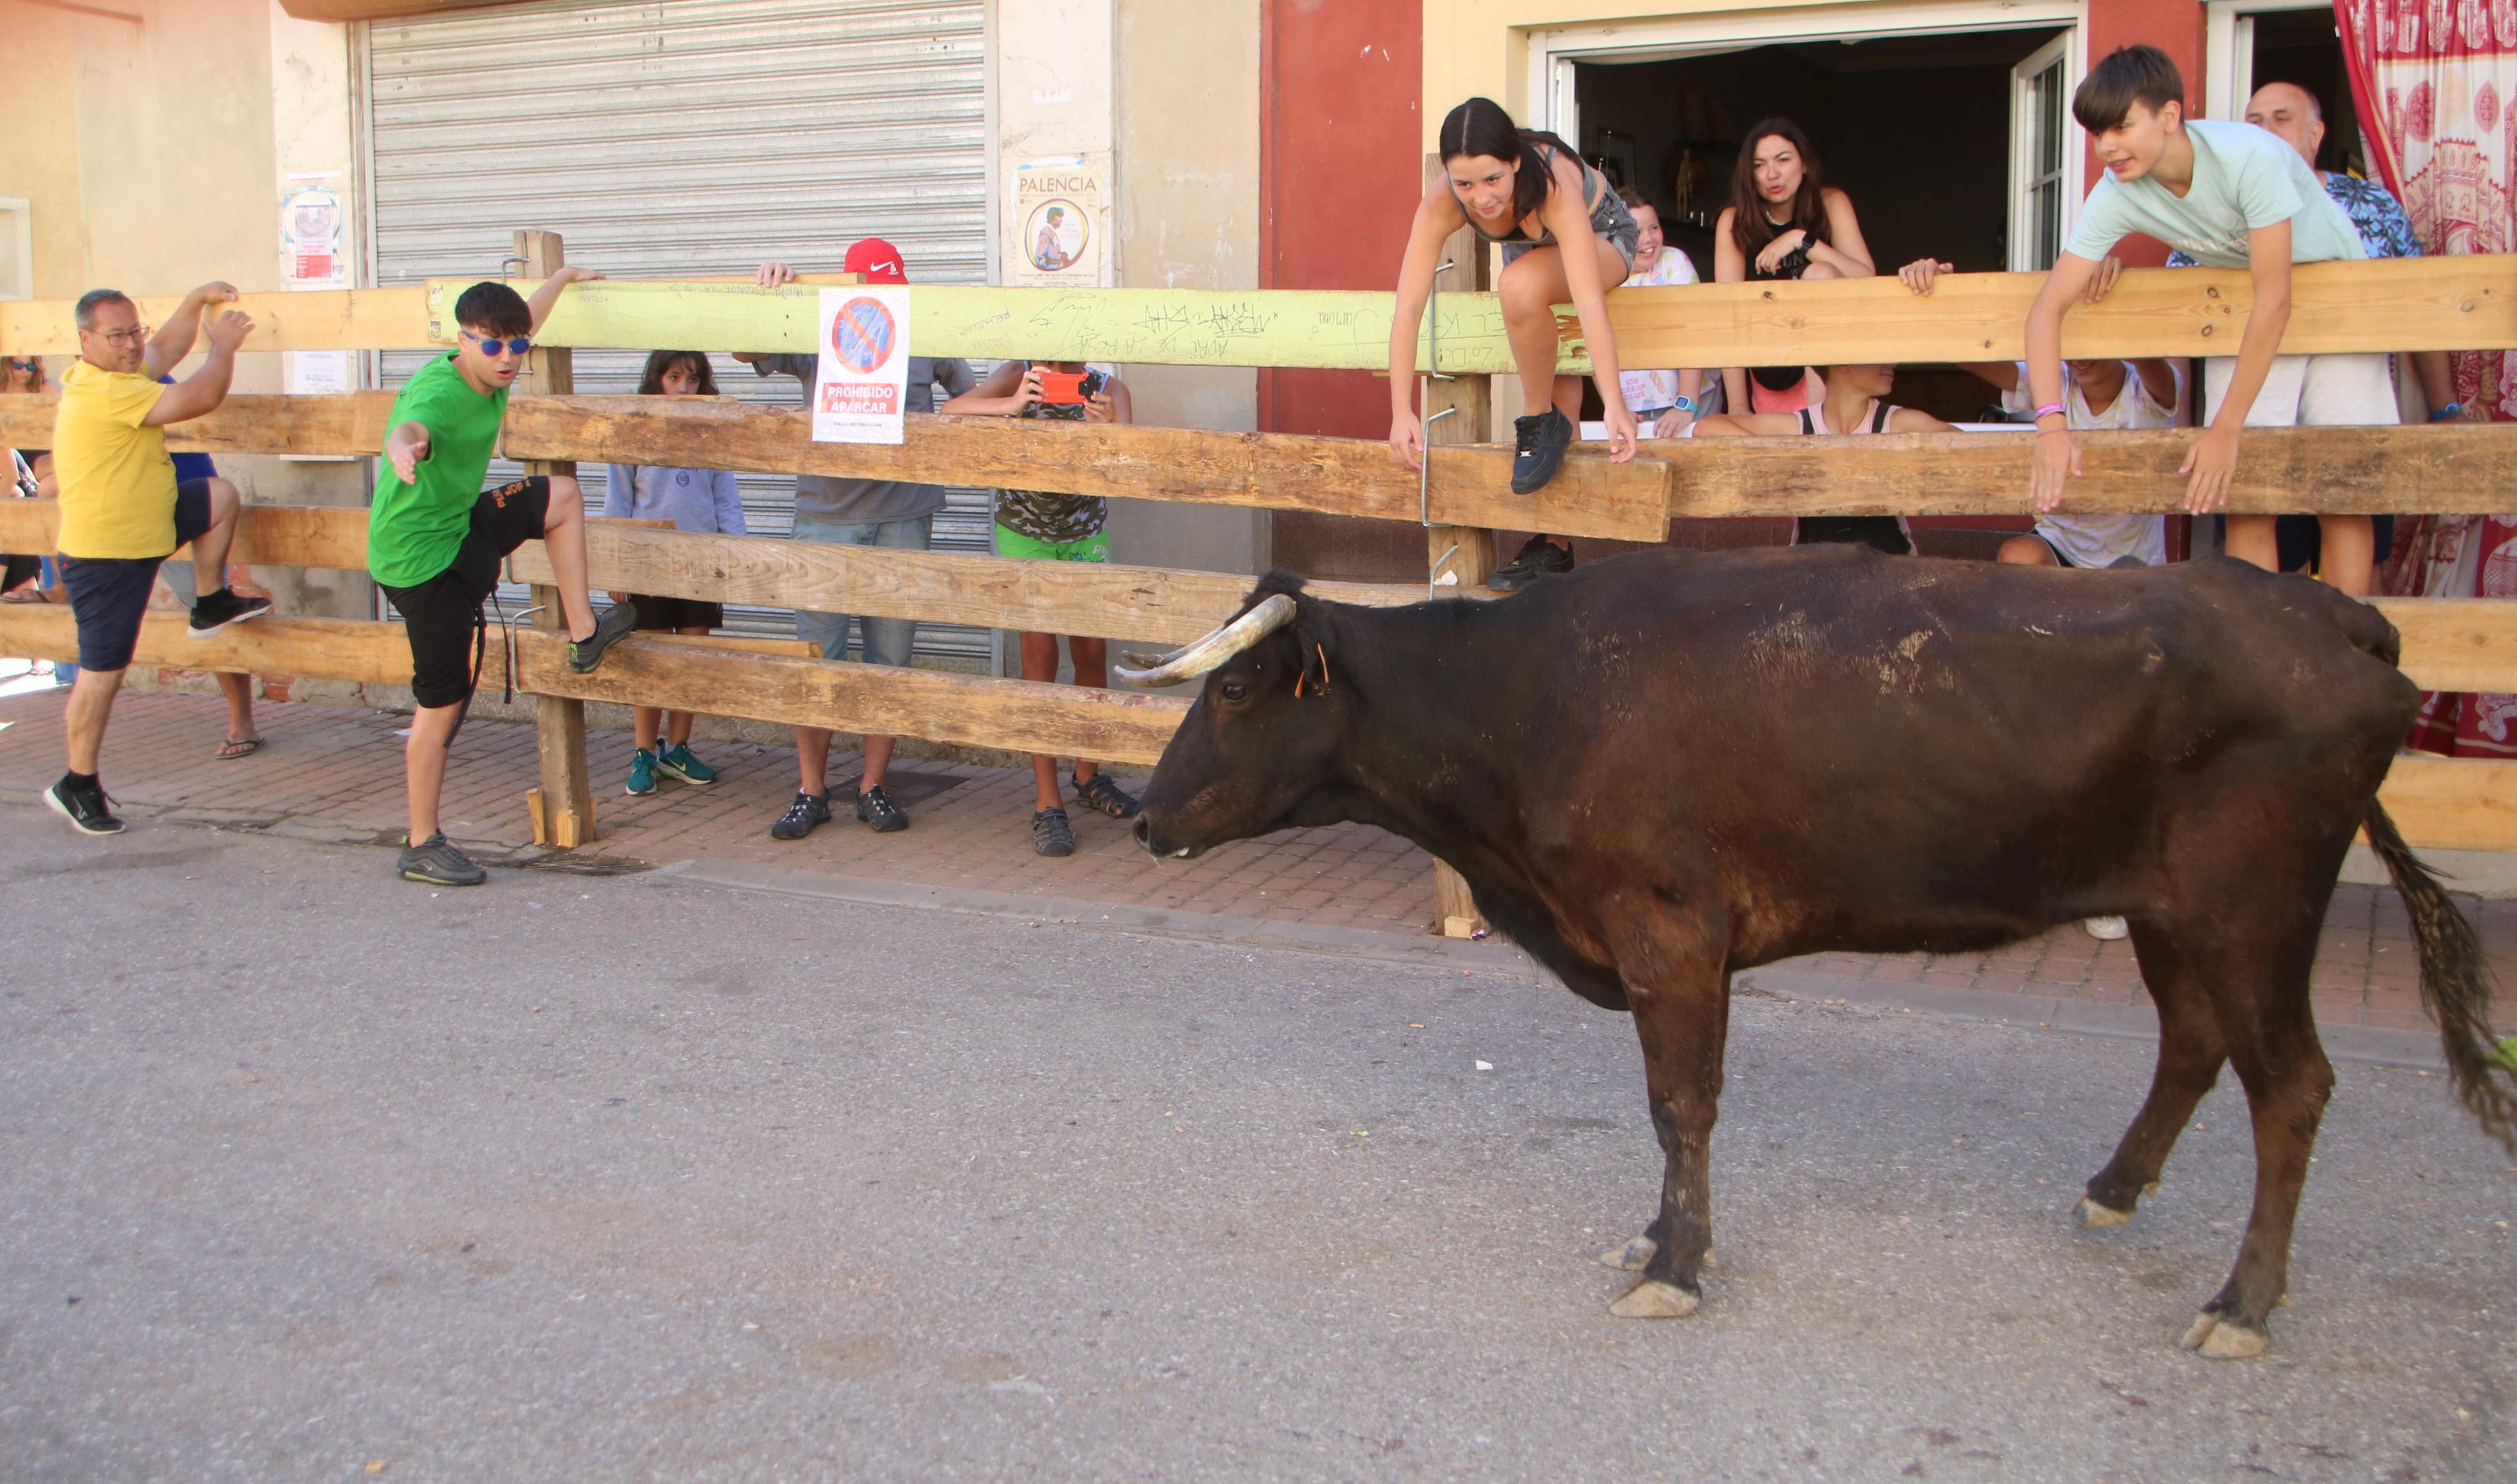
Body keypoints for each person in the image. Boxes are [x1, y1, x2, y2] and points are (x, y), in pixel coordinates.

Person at [2026, 46, 2388, 594]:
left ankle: (2343, 644)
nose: (2106, 147)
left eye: (2121, 127)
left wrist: (2224, 426)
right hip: (2245, 314)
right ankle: (2254, 648)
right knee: (2241, 497)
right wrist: (2051, 426)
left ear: (2169, 116)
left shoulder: (2249, 156)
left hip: (2335, 304)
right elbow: (2046, 308)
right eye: (2097, 133)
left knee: (2342, 494)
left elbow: (2277, 298)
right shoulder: (2116, 190)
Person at [369, 271, 636, 886]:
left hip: (458, 526)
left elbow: (528, 315)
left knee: (560, 495)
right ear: (461, 341)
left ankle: (584, 633)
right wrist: (403, 449)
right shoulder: (438, 394)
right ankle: (421, 842)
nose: (508, 358)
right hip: (417, 564)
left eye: (518, 345)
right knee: (442, 702)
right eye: (492, 345)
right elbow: (411, 426)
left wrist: (562, 277)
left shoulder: (499, 361)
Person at [2166, 79, 2468, 581]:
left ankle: (2344, 633)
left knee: (2348, 508)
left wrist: (2444, 409)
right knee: (2250, 509)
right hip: (2255, 390)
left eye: (2281, 119)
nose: (2265, 131)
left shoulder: (2370, 204)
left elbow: (2419, 303)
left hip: (2347, 384)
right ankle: (2262, 633)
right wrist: (2180, 425)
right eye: (2254, 122)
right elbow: (2179, 305)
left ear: (2315, 134)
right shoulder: (2216, 208)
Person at [738, 240, 974, 840]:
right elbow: (745, 348)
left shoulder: (924, 330)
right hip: (827, 515)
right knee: (818, 660)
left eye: (894, 290)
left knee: (889, 661)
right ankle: (810, 790)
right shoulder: (821, 325)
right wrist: (773, 292)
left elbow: (968, 396)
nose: (885, 300)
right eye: (875, 289)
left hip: (903, 516)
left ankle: (872, 786)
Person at [1388, 96, 1642, 591]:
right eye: (1464, 184)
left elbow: (1589, 302)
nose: (1481, 198)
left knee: (1519, 287)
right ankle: (1554, 544)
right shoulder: (1443, 200)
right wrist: (1401, 409)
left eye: (1492, 180)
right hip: (1530, 253)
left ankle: (1536, 421)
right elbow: (1409, 306)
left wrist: (1614, 401)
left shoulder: (1552, 182)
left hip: (1602, 236)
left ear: (1515, 162)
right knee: (1559, 386)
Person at [42, 284, 270, 835]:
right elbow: (198, 398)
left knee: (218, 496)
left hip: (150, 526)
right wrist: (223, 348)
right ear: (86, 340)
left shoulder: (122, 372)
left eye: (134, 332)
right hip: (106, 556)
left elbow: (165, 350)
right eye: (116, 336)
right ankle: (77, 784)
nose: (130, 345)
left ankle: (210, 601)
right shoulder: (105, 391)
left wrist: (194, 303)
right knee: (102, 674)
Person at [940, 359, 1144, 857]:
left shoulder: (1109, 388)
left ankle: (1088, 776)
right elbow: (952, 409)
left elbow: (1129, 463)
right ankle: (1047, 801)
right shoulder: (1020, 373)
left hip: (1084, 531)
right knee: (1039, 657)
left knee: (1091, 652)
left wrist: (1107, 430)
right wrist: (1012, 404)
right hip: (1023, 533)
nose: (1058, 363)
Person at [1901, 253, 2178, 571]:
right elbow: (1970, 359)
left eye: (2090, 334)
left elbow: (2147, 350)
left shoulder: (2145, 391)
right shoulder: (2055, 381)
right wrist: (1944, 292)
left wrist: (2118, 286)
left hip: (2131, 559)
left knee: (2128, 576)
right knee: (2019, 555)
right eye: (2066, 336)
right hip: (2060, 545)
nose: (2078, 354)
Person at [603, 350, 745, 798]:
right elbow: (617, 502)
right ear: (656, 381)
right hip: (649, 563)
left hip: (701, 563)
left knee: (690, 661)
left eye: (694, 379)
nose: (685, 388)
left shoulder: (711, 435)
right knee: (651, 662)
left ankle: (679, 749)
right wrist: (616, 565)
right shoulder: (633, 432)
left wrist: (734, 555)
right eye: (675, 377)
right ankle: (644, 752)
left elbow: (726, 499)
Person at [1691, 362, 1948, 554]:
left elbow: (1960, 444)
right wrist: (1791, 459)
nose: (1892, 363)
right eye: (1877, 355)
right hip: (1812, 573)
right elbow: (1707, 427)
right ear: (1842, 364)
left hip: (1889, 571)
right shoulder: (1800, 425)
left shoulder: (1897, 423)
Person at [1714, 119, 1878, 417]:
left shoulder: (1830, 203)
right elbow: (1729, 312)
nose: (1772, 174)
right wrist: (1738, 406)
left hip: (1833, 375)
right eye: (1759, 165)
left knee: (1819, 274)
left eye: (1783, 160)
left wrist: (1802, 241)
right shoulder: (1735, 221)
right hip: (1770, 368)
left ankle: (1818, 417)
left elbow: (1866, 278)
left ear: (1805, 164)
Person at [158, 434, 265, 761]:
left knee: (208, 606)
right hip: (136, 499)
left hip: (190, 493)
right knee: (205, 606)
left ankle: (241, 721)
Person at [1615, 187, 1709, 438]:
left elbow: (1693, 333)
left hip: (1692, 400)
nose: (1648, 239)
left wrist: (1687, 404)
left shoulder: (1673, 262)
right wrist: (1617, 407)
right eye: (1636, 232)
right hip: (1634, 407)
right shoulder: (1604, 276)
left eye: (1654, 228)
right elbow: (1595, 347)